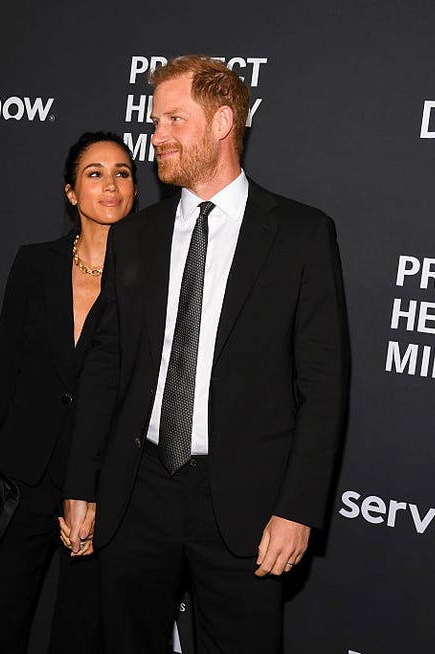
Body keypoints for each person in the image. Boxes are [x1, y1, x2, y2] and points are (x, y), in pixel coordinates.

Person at [63, 56, 349, 653]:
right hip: (136, 491)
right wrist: (82, 484)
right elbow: (104, 369)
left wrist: (297, 508)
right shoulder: (136, 235)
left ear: (222, 123)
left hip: (244, 502)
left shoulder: (300, 234)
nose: (156, 136)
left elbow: (323, 386)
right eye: (155, 121)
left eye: (174, 120)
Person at [0, 131, 136, 654]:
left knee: (81, 635)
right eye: (95, 174)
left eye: (122, 173)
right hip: (21, 479)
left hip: (101, 491)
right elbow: (0, 373)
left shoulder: (152, 280)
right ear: (71, 192)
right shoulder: (34, 264)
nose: (110, 185)